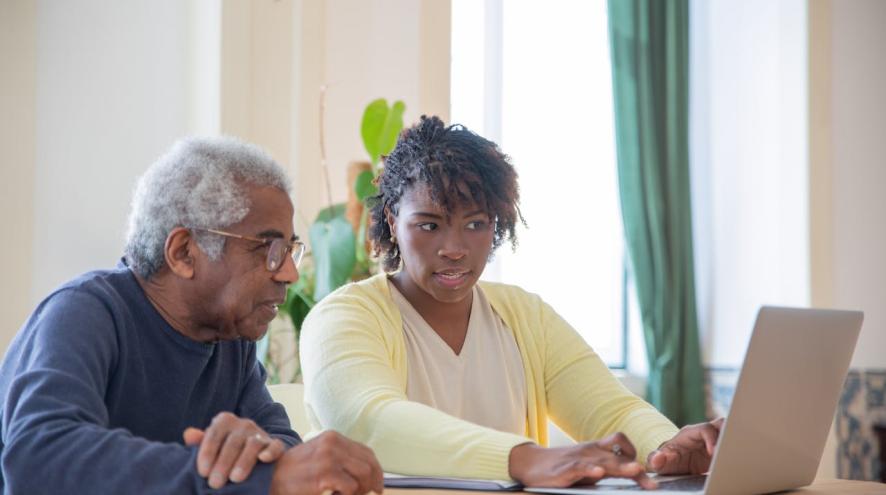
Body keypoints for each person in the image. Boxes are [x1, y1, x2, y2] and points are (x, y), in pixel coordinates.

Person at [300, 116, 723, 489]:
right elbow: (369, 423)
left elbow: (609, 409)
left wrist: (664, 448)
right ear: (392, 221)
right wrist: (526, 459)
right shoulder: (343, 318)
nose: (455, 248)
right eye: (429, 225)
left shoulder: (525, 316)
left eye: (476, 224)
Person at [0, 137, 383, 495]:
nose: (289, 273)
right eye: (269, 249)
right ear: (184, 252)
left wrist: (255, 453)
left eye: (290, 250)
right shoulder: (84, 313)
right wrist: (240, 475)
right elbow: (38, 457)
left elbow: (279, 443)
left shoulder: (229, 338)